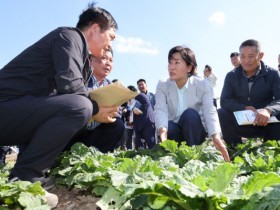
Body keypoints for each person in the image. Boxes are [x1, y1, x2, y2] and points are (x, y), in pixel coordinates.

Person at [0, 3, 118, 208]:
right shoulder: (69, 36)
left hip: (16, 113)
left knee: (74, 106)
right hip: (5, 108)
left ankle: (31, 172)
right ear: (95, 29)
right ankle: (24, 177)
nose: (110, 45)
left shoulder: (81, 56)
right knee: (79, 106)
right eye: (111, 37)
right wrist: (96, 109)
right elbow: (71, 86)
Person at [154, 45, 229, 161]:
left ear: (189, 67)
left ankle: (194, 156)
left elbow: (210, 111)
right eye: (170, 62)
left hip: (194, 130)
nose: (171, 67)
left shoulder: (203, 84)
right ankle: (173, 156)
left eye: (176, 63)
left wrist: (216, 136)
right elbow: (160, 109)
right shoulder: (163, 84)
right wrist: (162, 131)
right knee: (169, 127)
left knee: (190, 115)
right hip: (175, 132)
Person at [218, 39, 280, 145]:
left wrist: (268, 110)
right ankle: (234, 148)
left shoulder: (273, 74)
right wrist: (244, 107)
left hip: (265, 123)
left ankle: (271, 148)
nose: (246, 60)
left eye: (251, 56)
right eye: (242, 56)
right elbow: (224, 100)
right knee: (221, 112)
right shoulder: (231, 76)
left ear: (260, 55)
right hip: (241, 123)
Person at [67, 47, 124, 152]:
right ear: (90, 60)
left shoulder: (111, 86)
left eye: (111, 60)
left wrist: (114, 111)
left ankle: (96, 156)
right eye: (104, 58)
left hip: (98, 128)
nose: (108, 63)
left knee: (118, 124)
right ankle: (67, 154)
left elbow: (118, 112)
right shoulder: (80, 80)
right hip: (77, 127)